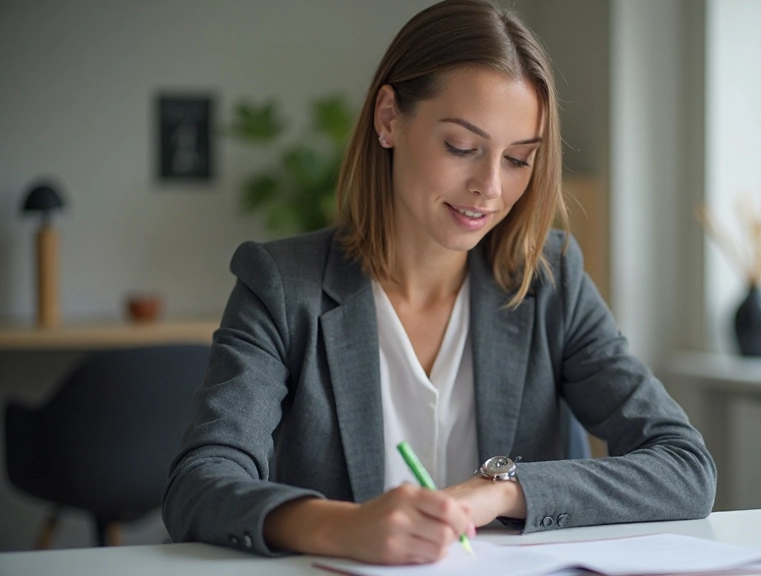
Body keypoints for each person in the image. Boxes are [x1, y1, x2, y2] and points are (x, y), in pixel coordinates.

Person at [162, 0, 716, 565]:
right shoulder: (282, 286)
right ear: (388, 119)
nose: (490, 187)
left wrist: (499, 492)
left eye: (519, 159)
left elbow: (683, 467)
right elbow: (200, 484)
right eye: (461, 147)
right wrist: (341, 527)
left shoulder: (549, 279)